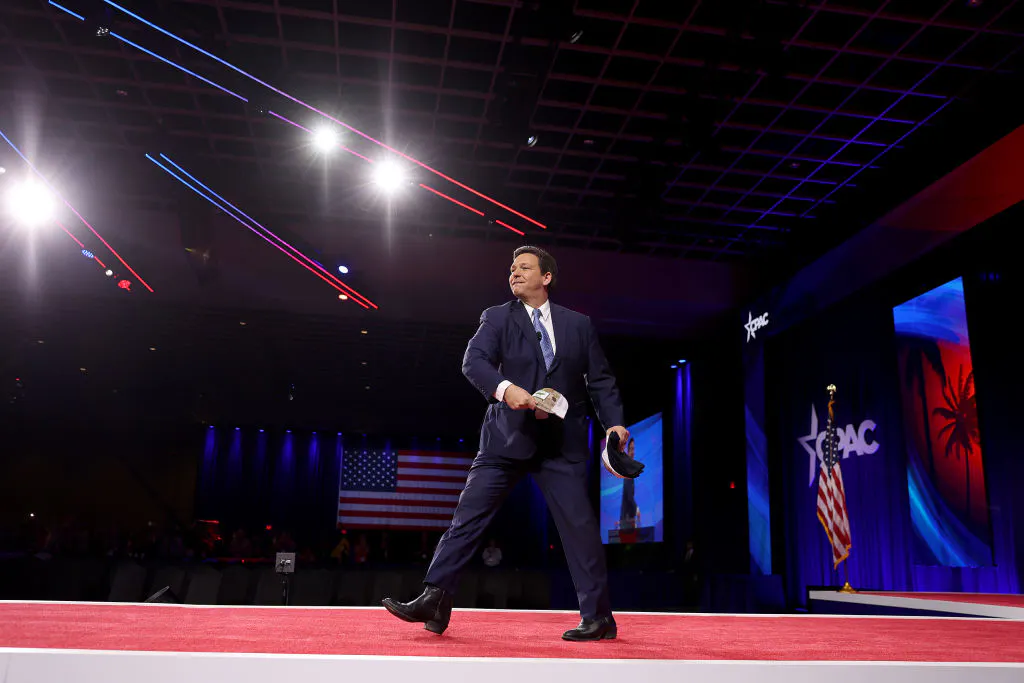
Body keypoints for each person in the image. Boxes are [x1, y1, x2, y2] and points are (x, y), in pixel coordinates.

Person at [383, 245, 629, 641]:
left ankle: (599, 618)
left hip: (561, 445)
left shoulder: (578, 324)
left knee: (580, 529)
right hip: (505, 439)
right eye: (512, 268)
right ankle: (435, 599)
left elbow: (600, 380)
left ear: (546, 277)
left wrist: (614, 424)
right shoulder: (497, 317)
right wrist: (505, 388)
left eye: (524, 267)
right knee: (467, 519)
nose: (514, 272)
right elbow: (474, 362)